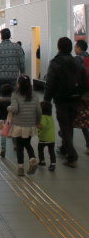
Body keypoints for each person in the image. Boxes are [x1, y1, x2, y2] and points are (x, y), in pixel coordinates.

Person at [44, 36, 86, 167]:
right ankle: (64, 148)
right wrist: (80, 95)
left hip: (61, 99)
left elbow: (50, 82)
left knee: (65, 127)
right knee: (69, 125)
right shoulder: (77, 62)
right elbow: (84, 79)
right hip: (75, 98)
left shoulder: (55, 62)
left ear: (59, 47)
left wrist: (47, 99)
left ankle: (72, 156)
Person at [7, 75, 41, 176]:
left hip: (19, 125)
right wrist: (38, 121)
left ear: (19, 84)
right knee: (27, 144)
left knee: (19, 146)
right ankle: (32, 159)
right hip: (30, 125)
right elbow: (39, 111)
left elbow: (15, 109)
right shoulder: (34, 95)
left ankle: (20, 168)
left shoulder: (15, 94)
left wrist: (8, 108)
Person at [74, 39, 89, 153]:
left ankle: (66, 146)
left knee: (80, 120)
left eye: (75, 46)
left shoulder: (77, 60)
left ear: (79, 48)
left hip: (82, 94)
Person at [0, 82, 13, 158]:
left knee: (3, 134)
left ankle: (3, 149)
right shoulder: (13, 100)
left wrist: (0, 116)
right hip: (13, 119)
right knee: (14, 133)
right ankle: (15, 146)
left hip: (5, 120)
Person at [37, 101, 56, 171]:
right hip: (51, 138)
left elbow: (42, 126)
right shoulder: (50, 117)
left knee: (40, 149)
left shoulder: (43, 117)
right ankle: (53, 163)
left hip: (43, 138)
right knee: (51, 151)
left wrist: (36, 124)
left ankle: (42, 161)